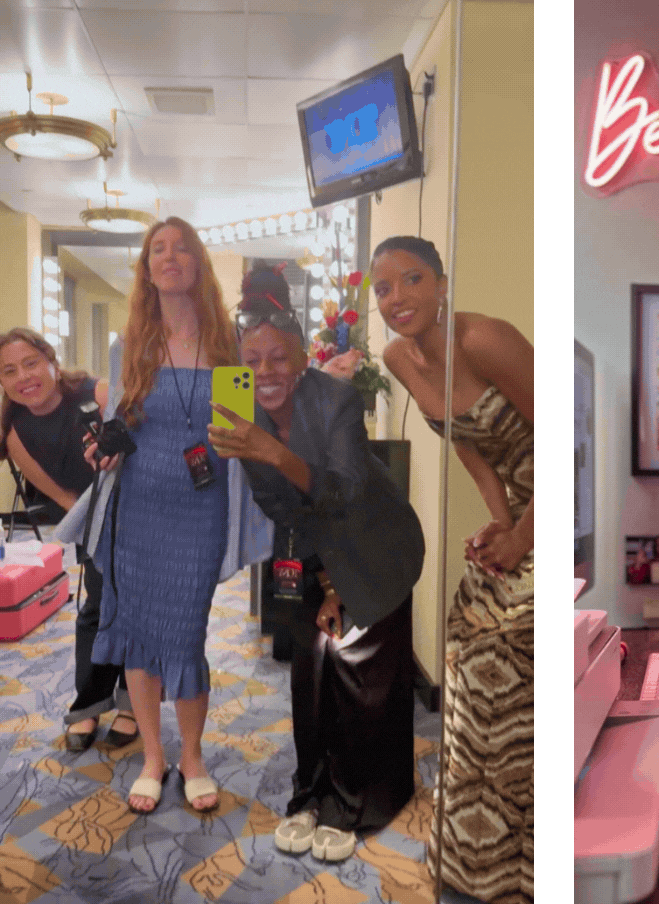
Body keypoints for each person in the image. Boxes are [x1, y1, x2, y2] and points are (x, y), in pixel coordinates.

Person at [56, 217, 272, 815]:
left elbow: (237, 436)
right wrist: (102, 448)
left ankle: (193, 757)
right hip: (139, 510)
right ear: (147, 270)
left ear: (198, 264)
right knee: (139, 635)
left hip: (200, 510)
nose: (170, 256)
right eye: (158, 249)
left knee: (185, 632)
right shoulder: (129, 345)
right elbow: (121, 429)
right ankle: (154, 758)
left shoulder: (228, 345)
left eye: (181, 248)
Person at [207, 269, 425, 863]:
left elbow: (348, 492)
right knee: (310, 674)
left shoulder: (335, 400)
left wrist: (274, 452)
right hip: (307, 549)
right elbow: (277, 504)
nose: (267, 371)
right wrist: (322, 581)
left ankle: (355, 803)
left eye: (280, 357)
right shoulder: (240, 410)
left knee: (361, 678)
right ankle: (311, 792)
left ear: (304, 360)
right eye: (253, 360)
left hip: (375, 545)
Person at [370, 235, 532, 903]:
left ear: (441, 283)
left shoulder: (485, 339)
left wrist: (524, 534)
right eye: (384, 288)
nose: (398, 297)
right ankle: (473, 857)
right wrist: (499, 521)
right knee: (466, 635)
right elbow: (467, 443)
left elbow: (566, 441)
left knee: (512, 653)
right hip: (518, 515)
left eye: (412, 279)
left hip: (560, 508)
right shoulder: (396, 357)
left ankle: (526, 868)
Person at [0, 328, 136, 751]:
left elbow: (142, 443)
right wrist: (96, 529)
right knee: (96, 608)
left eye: (31, 363)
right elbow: (62, 496)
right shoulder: (14, 431)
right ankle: (89, 705)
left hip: (138, 510)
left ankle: (132, 704)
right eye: (9, 371)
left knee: (137, 609)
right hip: (91, 518)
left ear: (52, 362)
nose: (24, 377)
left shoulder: (96, 392)